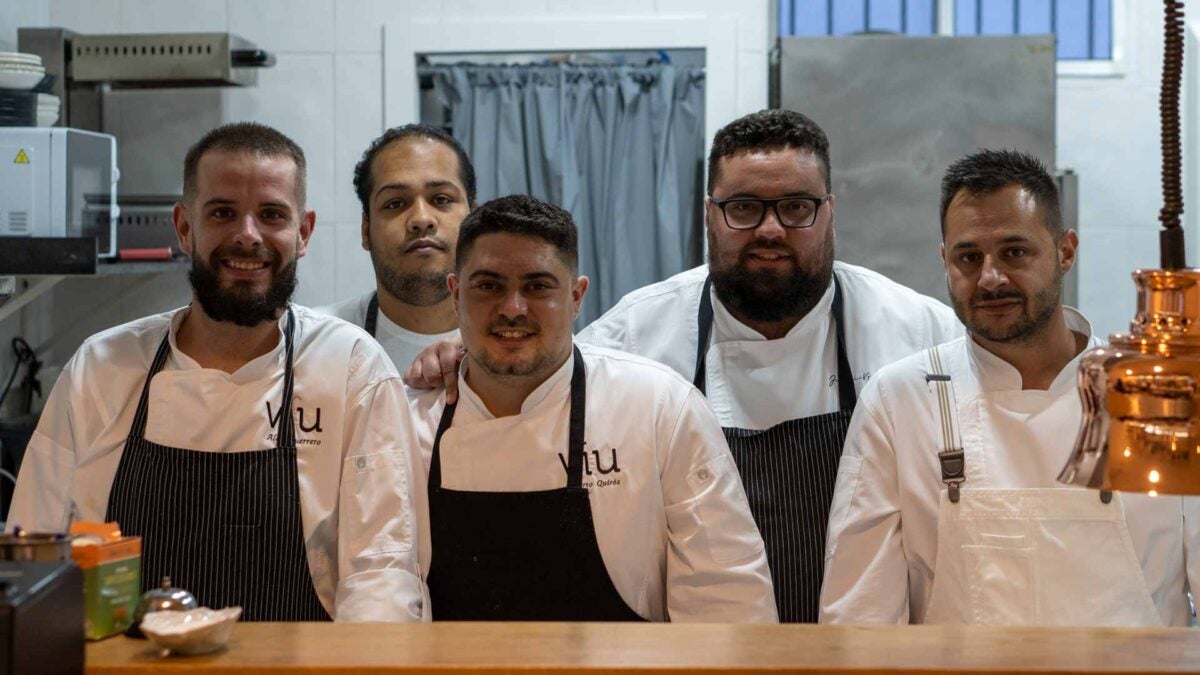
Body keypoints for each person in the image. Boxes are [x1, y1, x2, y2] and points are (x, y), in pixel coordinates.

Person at [405, 109, 961, 622]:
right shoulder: (638, 332)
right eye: (743, 208)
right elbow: (535, 360)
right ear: (708, 215)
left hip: (867, 646)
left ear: (830, 211)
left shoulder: (919, 336)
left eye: (796, 206)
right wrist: (459, 347)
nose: (770, 229)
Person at [9, 123, 427, 623]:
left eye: (271, 214)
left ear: (304, 231)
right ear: (185, 228)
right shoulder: (101, 369)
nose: (247, 235)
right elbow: (34, 558)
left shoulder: (351, 369)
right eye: (223, 212)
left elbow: (380, 574)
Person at [819, 149, 1200, 626]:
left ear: (1066, 251)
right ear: (945, 260)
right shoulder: (898, 403)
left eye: (1014, 252)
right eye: (968, 257)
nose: (990, 278)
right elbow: (860, 618)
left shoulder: (1161, 399)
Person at [410, 194, 777, 622]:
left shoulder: (658, 409)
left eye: (538, 286)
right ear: (455, 294)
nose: (513, 308)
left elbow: (727, 603)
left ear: (577, 296)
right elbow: (383, 592)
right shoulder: (406, 421)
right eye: (488, 286)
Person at [317, 124, 475, 369]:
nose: (421, 219)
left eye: (441, 199)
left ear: (474, 219)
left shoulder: (524, 343)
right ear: (365, 229)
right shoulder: (314, 342)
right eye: (395, 203)